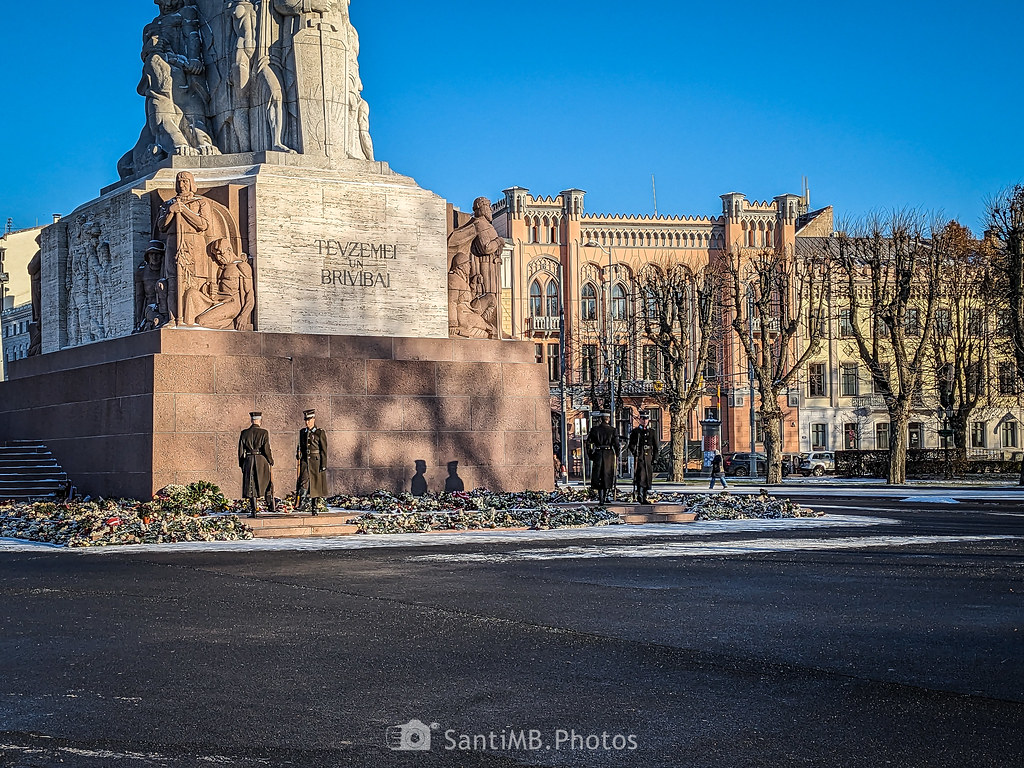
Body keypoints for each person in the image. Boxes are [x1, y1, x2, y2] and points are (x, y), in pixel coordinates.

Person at [238, 411, 276, 518]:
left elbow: (241, 451)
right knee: (266, 482)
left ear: (251, 420)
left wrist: (242, 464)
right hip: (261, 460)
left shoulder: (244, 433)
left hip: (249, 460)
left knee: (252, 485)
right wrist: (270, 460)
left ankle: (254, 510)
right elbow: (266, 448)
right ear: (260, 421)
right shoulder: (264, 433)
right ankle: (269, 503)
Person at [296, 409, 329, 515]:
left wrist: (323, 464)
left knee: (315, 484)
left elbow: (324, 449)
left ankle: (314, 507)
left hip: (316, 460)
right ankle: (302, 502)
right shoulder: (302, 432)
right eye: (306, 420)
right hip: (305, 460)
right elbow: (300, 445)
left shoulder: (319, 433)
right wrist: (299, 454)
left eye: (309, 420)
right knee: (303, 481)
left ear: (313, 419)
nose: (307, 422)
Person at [586, 412, 620, 505]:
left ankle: (602, 498)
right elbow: (617, 444)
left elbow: (588, 443)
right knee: (607, 475)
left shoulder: (594, 430)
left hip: (598, 453)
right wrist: (617, 454)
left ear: (601, 419)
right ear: (608, 419)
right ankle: (604, 497)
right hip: (609, 454)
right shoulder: (613, 430)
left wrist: (590, 454)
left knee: (599, 475)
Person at [627, 412, 660, 505]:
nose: (645, 421)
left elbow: (656, 446)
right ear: (640, 420)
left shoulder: (652, 432)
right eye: (643, 419)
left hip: (648, 457)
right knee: (641, 476)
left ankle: (644, 495)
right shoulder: (636, 432)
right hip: (640, 456)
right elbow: (631, 445)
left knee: (647, 477)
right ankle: (640, 495)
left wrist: (655, 458)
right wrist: (635, 452)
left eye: (646, 419)